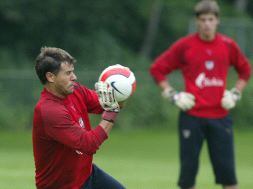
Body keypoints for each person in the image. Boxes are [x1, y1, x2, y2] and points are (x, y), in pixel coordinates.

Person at [150, 0, 251, 189]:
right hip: (191, 117)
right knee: (187, 178)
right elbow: (157, 69)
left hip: (221, 118)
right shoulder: (185, 46)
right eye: (203, 19)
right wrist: (172, 94)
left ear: (217, 20)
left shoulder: (228, 45)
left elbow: (245, 70)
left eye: (210, 19)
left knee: (229, 178)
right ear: (197, 21)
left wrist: (236, 92)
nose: (207, 23)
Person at [33, 47, 125, 189]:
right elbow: (89, 144)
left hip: (86, 174)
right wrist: (112, 112)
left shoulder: (75, 90)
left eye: (73, 71)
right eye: (68, 73)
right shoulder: (49, 111)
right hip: (63, 186)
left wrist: (121, 92)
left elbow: (107, 104)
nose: (74, 77)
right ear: (50, 77)